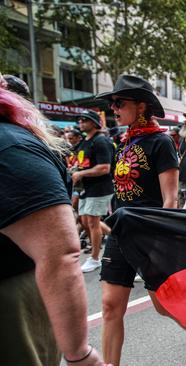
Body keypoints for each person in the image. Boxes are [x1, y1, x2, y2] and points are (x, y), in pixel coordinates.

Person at [97, 75, 186, 366]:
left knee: (162, 305)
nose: (113, 108)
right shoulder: (123, 143)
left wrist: (160, 240)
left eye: (119, 103)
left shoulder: (160, 142)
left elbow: (170, 199)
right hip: (120, 232)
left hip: (148, 235)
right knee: (111, 307)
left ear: (140, 106)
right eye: (112, 103)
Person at [0, 76, 106, 365]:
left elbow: (60, 255)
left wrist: (78, 354)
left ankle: (98, 254)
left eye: (85, 121)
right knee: (89, 222)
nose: (80, 126)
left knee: (92, 223)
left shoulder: (10, 146)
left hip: (14, 296)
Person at [73, 110, 114, 273]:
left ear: (95, 122)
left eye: (85, 120)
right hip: (86, 188)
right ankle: (116, 237)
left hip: (100, 188)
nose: (81, 122)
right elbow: (85, 163)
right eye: (80, 120)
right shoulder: (84, 141)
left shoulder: (101, 141)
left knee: (92, 222)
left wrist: (81, 173)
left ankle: (95, 258)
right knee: (84, 221)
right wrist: (77, 169)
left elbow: (105, 168)